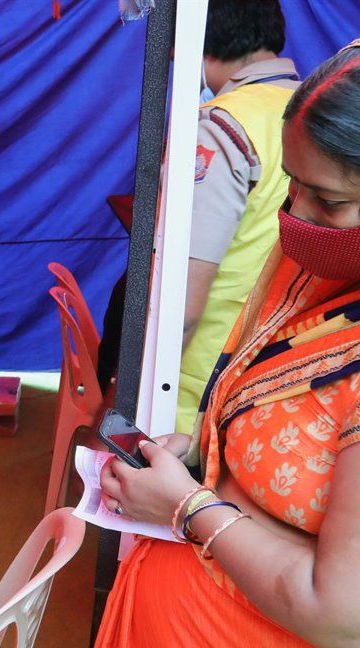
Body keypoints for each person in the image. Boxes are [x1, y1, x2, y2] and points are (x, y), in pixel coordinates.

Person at [67, 26, 360, 648]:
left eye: (329, 199)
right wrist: (203, 455)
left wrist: (188, 508)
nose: (296, 219)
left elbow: (354, 619)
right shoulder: (339, 263)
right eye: (292, 185)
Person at [95, 0, 298, 436]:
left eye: (173, 52)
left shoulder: (220, 127)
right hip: (262, 370)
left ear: (197, 44)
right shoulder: (311, 113)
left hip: (191, 393)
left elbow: (181, 305)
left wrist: (128, 401)